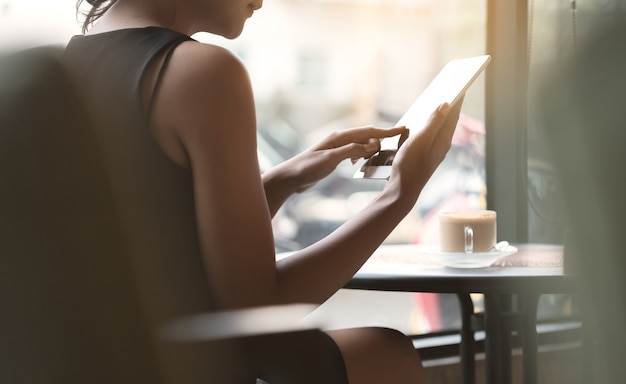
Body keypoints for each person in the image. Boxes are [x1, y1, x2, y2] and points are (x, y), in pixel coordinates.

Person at [64, 0, 464, 382]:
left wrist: (281, 182)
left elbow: (161, 242)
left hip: (106, 364)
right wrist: (400, 194)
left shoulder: (68, 63)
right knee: (387, 355)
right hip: (176, 367)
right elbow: (260, 309)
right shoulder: (204, 71)